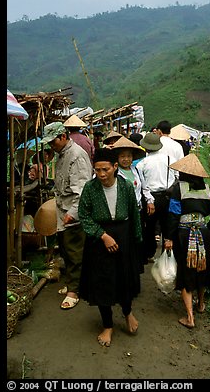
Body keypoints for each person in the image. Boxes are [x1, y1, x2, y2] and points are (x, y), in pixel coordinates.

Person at [78, 148, 143, 348]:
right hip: (99, 237)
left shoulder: (126, 187)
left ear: (115, 167)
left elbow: (134, 215)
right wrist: (103, 236)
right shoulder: (90, 188)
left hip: (123, 234)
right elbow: (84, 216)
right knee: (102, 282)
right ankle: (107, 325)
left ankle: (127, 312)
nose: (102, 175)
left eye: (105, 169)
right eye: (97, 170)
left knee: (124, 278)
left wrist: (136, 241)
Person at [164, 153, 210, 329]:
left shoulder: (178, 190)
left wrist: (169, 237)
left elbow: (174, 216)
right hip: (203, 232)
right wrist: (209, 230)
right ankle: (201, 305)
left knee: (186, 270)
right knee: (201, 267)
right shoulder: (207, 189)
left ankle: (189, 317)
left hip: (184, 233)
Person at [40, 121, 93, 310]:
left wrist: (73, 213)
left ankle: (75, 290)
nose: (51, 147)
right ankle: (72, 283)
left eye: (53, 142)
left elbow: (83, 190)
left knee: (74, 251)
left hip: (73, 211)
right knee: (66, 250)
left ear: (63, 137)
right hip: (64, 209)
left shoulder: (76, 155)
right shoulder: (63, 154)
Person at [112, 136, 155, 265]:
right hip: (123, 212)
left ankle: (136, 263)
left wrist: (150, 201)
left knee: (137, 236)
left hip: (138, 210)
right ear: (117, 158)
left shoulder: (136, 170)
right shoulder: (115, 173)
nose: (126, 159)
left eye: (129, 156)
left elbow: (145, 187)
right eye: (123, 156)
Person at [136, 132, 178, 262]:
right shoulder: (171, 160)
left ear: (146, 147)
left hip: (150, 198)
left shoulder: (142, 164)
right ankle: (167, 252)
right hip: (168, 196)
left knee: (149, 227)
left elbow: (143, 185)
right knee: (168, 225)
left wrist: (149, 201)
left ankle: (149, 253)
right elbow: (177, 177)